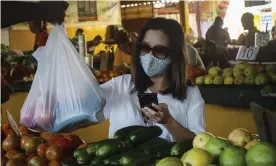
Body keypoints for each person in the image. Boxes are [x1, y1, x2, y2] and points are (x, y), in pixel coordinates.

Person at [97, 18, 205, 141]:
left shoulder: (191, 94)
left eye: (159, 50)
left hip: (170, 160)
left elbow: (199, 144)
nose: (149, 55)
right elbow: (83, 105)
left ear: (174, 54)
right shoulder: (119, 86)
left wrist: (169, 122)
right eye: (145, 47)